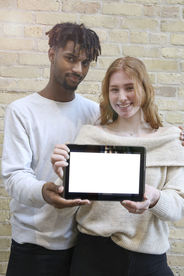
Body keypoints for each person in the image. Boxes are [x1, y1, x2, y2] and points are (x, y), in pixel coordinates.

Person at [52, 56, 184, 276]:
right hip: (92, 257)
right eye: (114, 90)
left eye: (130, 88)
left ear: (145, 89)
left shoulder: (171, 140)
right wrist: (63, 177)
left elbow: (180, 206)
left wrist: (155, 198)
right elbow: (66, 203)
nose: (122, 97)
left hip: (148, 261)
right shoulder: (90, 136)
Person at [1, 22, 101, 276]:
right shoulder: (22, 111)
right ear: (51, 54)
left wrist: (176, 138)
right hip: (33, 248)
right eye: (70, 58)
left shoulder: (94, 112)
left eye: (86, 63)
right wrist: (44, 192)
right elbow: (14, 176)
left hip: (83, 245)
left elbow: (132, 136)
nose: (78, 69)